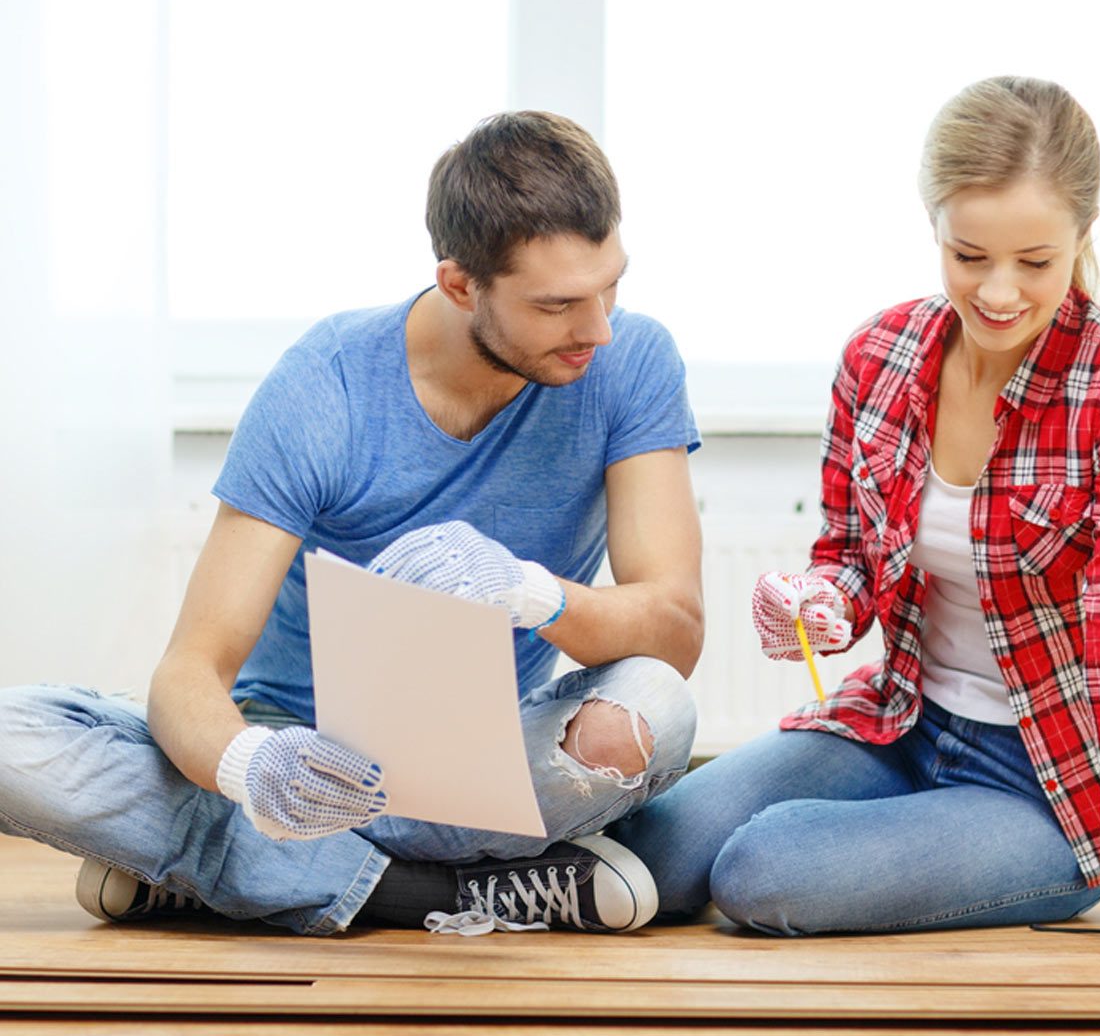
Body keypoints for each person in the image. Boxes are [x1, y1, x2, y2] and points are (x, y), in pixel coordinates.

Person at [0, 111, 703, 937]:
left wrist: (532, 592)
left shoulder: (633, 362)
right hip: (295, 752)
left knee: (656, 705)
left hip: (475, 767)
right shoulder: (324, 387)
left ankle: (225, 870)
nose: (598, 329)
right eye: (556, 306)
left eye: (610, 285)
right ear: (460, 285)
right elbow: (191, 668)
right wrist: (251, 766)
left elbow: (675, 632)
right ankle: (456, 890)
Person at [612, 77, 1100, 953]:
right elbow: (850, 554)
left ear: (1084, 235)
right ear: (934, 228)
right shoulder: (881, 356)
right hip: (903, 722)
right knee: (658, 849)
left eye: (1036, 263)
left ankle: (949, 851)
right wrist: (820, 598)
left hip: (1047, 781)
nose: (999, 292)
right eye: (969, 255)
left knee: (758, 871)